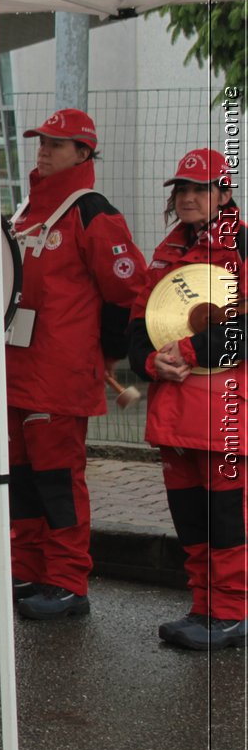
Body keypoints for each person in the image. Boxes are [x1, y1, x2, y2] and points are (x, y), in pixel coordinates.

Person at [0, 108, 145, 618]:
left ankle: (68, 581)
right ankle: (26, 572)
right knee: (21, 478)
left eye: (56, 143)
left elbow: (126, 291)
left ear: (84, 153)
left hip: (58, 375)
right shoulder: (29, 209)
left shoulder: (92, 211)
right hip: (18, 370)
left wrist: (104, 354)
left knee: (57, 479)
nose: (43, 150)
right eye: (41, 141)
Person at [127, 148, 245, 650]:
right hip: (174, 414)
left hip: (226, 416)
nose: (189, 197)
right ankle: (204, 607)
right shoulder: (166, 253)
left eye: (201, 188)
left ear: (225, 193)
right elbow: (137, 331)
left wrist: (189, 349)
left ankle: (233, 612)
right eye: (182, 189)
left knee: (227, 522)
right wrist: (151, 362)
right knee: (191, 520)